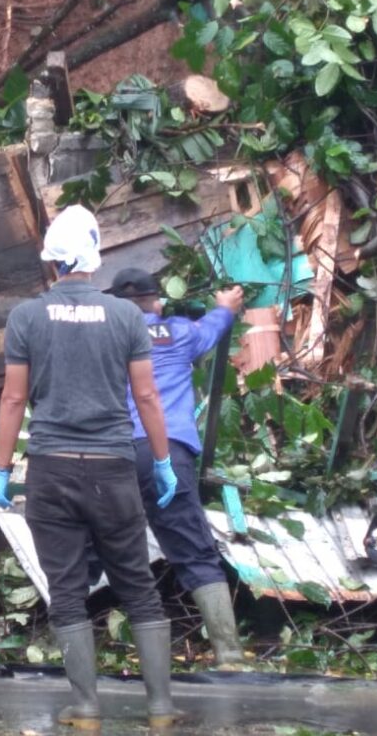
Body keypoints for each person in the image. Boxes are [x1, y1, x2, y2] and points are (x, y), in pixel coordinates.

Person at [0, 205, 178, 730]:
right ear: (93, 259)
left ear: (51, 261)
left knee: (67, 588)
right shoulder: (125, 316)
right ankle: (161, 709)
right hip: (113, 468)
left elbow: (11, 400)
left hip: (51, 469)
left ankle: (87, 708)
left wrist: (2, 469)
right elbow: (146, 395)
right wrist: (162, 462)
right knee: (137, 584)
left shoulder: (26, 317)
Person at [108, 267, 246, 665]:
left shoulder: (104, 339)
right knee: (194, 551)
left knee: (113, 549)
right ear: (159, 302)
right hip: (167, 452)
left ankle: (127, 654)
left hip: (113, 455)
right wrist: (226, 307)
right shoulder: (179, 333)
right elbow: (213, 328)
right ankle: (231, 656)